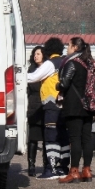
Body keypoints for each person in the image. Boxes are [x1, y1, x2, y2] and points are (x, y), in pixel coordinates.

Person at [26, 37, 70, 180]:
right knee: (62, 136)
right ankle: (63, 167)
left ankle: (50, 169)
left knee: (51, 136)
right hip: (64, 104)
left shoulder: (50, 63)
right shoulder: (65, 62)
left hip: (51, 104)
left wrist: (16, 74)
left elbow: (33, 77)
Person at [56, 38, 95, 184]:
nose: (67, 48)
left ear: (74, 47)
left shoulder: (71, 63)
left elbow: (65, 83)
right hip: (89, 105)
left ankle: (74, 171)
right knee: (87, 138)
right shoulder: (89, 63)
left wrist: (57, 85)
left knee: (75, 139)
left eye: (68, 45)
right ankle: (87, 170)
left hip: (74, 105)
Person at [25, 46, 46, 177]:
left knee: (46, 138)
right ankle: (31, 165)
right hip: (33, 106)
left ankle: (46, 164)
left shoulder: (48, 69)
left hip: (45, 106)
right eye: (34, 54)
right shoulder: (31, 70)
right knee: (32, 138)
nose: (35, 56)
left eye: (38, 54)